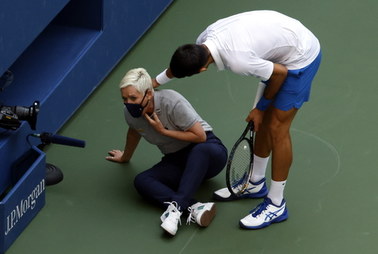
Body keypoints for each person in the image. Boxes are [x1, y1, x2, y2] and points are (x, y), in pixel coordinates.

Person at [152, 10, 322, 229]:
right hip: (277, 47)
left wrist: (260, 108)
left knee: (276, 129)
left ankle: (276, 204)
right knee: (260, 124)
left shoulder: (238, 60)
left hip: (300, 56)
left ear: (203, 69)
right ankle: (255, 183)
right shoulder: (202, 41)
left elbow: (279, 73)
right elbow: (178, 69)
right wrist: (154, 82)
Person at [106, 68, 228, 236]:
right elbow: (134, 131)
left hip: (208, 153)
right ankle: (195, 207)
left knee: (201, 150)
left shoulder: (172, 102)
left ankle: (176, 208)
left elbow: (200, 137)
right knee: (142, 181)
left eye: (133, 98)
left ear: (148, 94)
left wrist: (164, 132)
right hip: (176, 159)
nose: (128, 103)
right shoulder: (130, 113)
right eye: (124, 99)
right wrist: (125, 157)